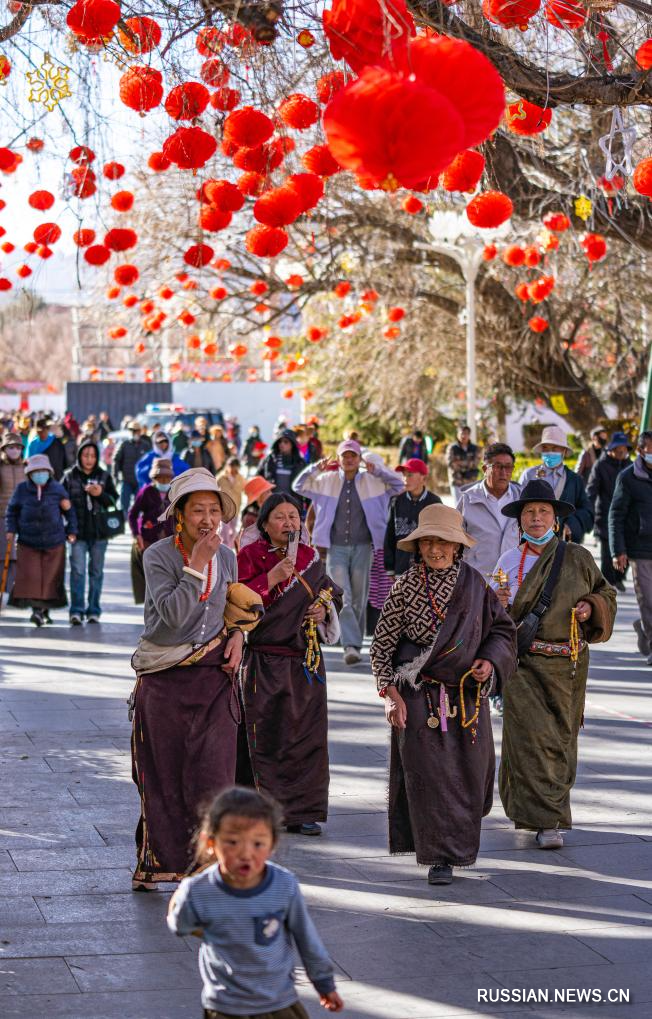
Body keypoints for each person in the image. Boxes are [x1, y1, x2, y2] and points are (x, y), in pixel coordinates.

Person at [370, 504, 516, 884]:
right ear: (418, 546)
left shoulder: (475, 585)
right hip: (419, 698)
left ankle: (460, 844)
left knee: (472, 776)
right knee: (431, 779)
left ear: (457, 547)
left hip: (467, 698)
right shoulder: (404, 587)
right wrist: (390, 694)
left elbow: (502, 631)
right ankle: (440, 858)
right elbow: (381, 648)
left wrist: (489, 662)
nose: (436, 549)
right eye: (428, 541)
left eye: (444, 542)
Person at [130, 468, 251, 889]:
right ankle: (156, 861)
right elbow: (172, 619)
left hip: (214, 680)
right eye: (197, 509)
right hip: (164, 678)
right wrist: (196, 566)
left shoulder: (230, 556)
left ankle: (208, 867)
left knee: (215, 775)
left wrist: (238, 636)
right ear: (178, 515)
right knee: (162, 777)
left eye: (213, 510)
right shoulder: (158, 556)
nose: (207, 518)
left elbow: (234, 610)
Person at [492, 480, 616, 849]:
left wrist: (590, 606)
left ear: (555, 518)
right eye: (529, 511)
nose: (535, 517)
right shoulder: (508, 561)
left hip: (567, 668)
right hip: (523, 665)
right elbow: (494, 615)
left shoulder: (578, 557)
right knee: (529, 742)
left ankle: (549, 814)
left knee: (559, 742)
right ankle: (544, 821)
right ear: (520, 520)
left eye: (543, 511)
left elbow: (606, 592)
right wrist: (496, 603)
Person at [167, 786, 344, 1017]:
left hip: (279, 1004)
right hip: (226, 1008)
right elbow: (180, 925)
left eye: (258, 843)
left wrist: (324, 983)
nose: (246, 853)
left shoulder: (283, 885)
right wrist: (184, 899)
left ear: (272, 843)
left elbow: (306, 938)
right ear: (210, 843)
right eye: (232, 842)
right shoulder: (199, 890)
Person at [237, 494, 342, 836]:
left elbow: (332, 593)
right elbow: (236, 600)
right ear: (264, 524)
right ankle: (260, 810)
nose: (289, 523)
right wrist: (270, 578)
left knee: (306, 738)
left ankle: (302, 811)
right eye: (280, 517)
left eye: (294, 516)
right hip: (263, 662)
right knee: (264, 736)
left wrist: (323, 609)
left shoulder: (310, 558)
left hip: (305, 662)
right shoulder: (249, 556)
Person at [294, 439, 404, 666]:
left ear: (359, 458)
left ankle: (352, 640)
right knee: (344, 595)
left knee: (359, 597)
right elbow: (298, 486)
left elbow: (399, 486)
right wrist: (316, 468)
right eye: (345, 455)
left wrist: (379, 471)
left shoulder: (373, 480)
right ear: (340, 459)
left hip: (365, 546)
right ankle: (351, 645)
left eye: (353, 455)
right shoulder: (327, 480)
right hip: (335, 547)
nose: (349, 459)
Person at [5, 455, 77, 625]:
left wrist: (72, 530)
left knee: (51, 578)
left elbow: (70, 512)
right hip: (28, 541)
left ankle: (45, 610)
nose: (40, 474)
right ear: (29, 473)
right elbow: (12, 511)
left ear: (49, 472)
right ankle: (37, 610)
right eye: (36, 471)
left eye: (43, 471)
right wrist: (11, 529)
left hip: (54, 541)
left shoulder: (57, 489)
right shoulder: (22, 489)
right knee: (33, 578)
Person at [63, 440, 119, 625]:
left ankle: (94, 610)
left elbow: (112, 501)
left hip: (99, 534)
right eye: (85, 455)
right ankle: (76, 610)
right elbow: (60, 501)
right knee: (77, 572)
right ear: (79, 456)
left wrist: (100, 494)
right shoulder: (70, 476)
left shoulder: (103, 476)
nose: (89, 459)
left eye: (93, 456)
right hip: (76, 533)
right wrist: (67, 527)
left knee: (96, 572)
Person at [609, 430, 652, 664]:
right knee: (649, 600)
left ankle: (645, 629)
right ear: (641, 450)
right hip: (640, 549)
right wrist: (618, 550)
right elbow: (616, 514)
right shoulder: (628, 478)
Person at [457, 443, 521, 580]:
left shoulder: (521, 498)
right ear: (485, 469)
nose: (504, 472)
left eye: (508, 467)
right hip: (478, 579)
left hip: (513, 578)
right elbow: (456, 541)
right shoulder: (468, 500)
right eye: (498, 466)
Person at [519, 425, 593, 543]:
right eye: (546, 448)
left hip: (563, 544)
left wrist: (572, 524)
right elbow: (518, 509)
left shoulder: (574, 480)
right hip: (532, 542)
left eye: (554, 448)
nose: (550, 452)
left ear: (564, 451)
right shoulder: (529, 475)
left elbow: (587, 511)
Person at [586, 431, 632, 591]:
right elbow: (591, 491)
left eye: (624, 450)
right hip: (605, 517)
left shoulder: (630, 465)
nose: (621, 453)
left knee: (625, 551)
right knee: (607, 556)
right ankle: (606, 585)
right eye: (618, 450)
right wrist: (588, 511)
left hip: (626, 518)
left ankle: (619, 578)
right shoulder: (600, 465)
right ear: (611, 449)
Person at [127, 458, 174, 605]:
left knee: (168, 576)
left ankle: (164, 605)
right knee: (150, 576)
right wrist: (137, 535)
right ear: (154, 478)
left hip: (170, 542)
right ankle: (151, 605)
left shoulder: (175, 492)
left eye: (167, 478)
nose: (164, 480)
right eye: (160, 477)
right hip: (148, 541)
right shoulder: (146, 491)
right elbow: (132, 514)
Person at [384, 458, 441, 578]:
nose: (405, 478)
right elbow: (389, 535)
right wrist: (390, 567)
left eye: (410, 475)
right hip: (401, 568)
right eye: (404, 475)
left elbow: (440, 537)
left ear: (423, 478)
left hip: (428, 570)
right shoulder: (396, 501)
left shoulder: (434, 502)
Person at [0, 433, 26, 599]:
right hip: (2, 515)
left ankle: (9, 591)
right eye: (11, 447)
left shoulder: (27, 467)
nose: (14, 450)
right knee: (3, 556)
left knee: (17, 557)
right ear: (4, 449)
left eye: (17, 447)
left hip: (22, 517)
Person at [113, 422, 151, 514]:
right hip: (126, 480)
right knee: (124, 505)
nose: (135, 433)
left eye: (137, 431)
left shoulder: (145, 445)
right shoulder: (124, 445)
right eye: (133, 431)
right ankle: (124, 523)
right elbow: (116, 460)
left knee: (140, 504)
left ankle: (137, 524)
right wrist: (115, 475)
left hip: (140, 481)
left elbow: (150, 462)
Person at [258, 430, 305, 494]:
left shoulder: (300, 462)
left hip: (293, 501)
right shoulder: (269, 460)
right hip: (272, 501)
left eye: (286, 442)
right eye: (280, 441)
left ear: (292, 444)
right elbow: (258, 479)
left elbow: (306, 485)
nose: (282, 444)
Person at [446, 424, 480, 503]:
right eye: (461, 433)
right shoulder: (452, 448)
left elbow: (476, 463)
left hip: (470, 481)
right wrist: (468, 463)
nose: (463, 436)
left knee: (470, 506)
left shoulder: (474, 448)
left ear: (469, 435)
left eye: (466, 434)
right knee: (458, 506)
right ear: (457, 434)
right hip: (457, 481)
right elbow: (451, 463)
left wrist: (460, 463)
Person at [239, 475, 275, 547]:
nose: (271, 494)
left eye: (270, 491)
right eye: (267, 492)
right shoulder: (250, 518)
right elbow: (248, 547)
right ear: (258, 497)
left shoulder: (267, 512)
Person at [217, 457, 245, 548]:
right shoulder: (221, 478)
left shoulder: (241, 478)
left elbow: (247, 490)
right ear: (228, 467)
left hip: (236, 509)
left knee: (233, 531)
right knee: (224, 532)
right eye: (233, 467)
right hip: (224, 510)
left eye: (237, 467)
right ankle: (224, 549)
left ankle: (229, 549)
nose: (235, 469)